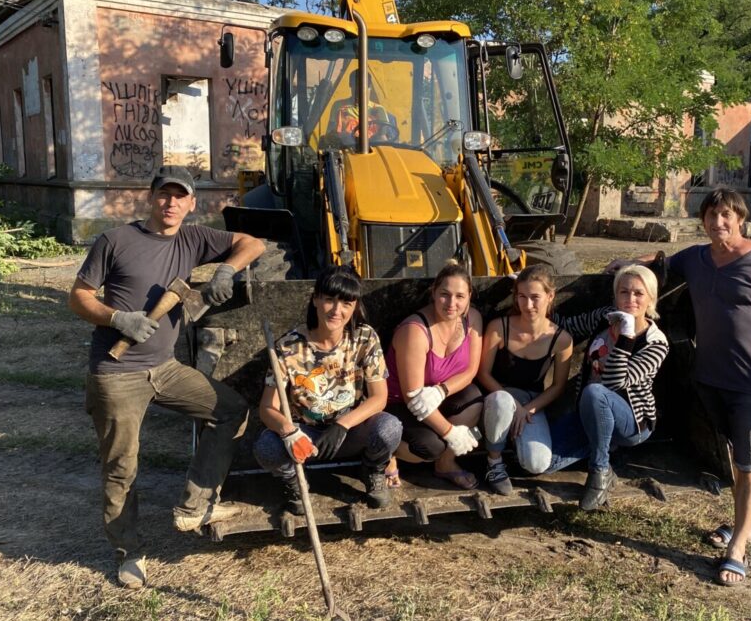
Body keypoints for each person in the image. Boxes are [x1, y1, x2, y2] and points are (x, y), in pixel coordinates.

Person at [68, 166, 265, 589]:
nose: (171, 203)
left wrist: (226, 270)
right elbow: (79, 297)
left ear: (192, 203)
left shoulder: (194, 238)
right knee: (122, 466)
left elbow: (254, 243)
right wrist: (117, 317)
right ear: (150, 198)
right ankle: (129, 552)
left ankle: (194, 505)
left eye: (181, 196)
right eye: (164, 195)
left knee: (230, 411)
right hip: (116, 372)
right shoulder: (116, 241)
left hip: (165, 367)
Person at [609, 186, 751, 587]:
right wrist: (627, 263)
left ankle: (737, 549)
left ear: (740, 218)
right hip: (707, 379)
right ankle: (744, 525)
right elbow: (661, 262)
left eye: (726, 216)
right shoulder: (697, 258)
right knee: (731, 457)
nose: (718, 223)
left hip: (750, 384)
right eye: (711, 216)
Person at [253, 266, 402, 512]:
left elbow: (379, 397)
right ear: (315, 300)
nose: (336, 310)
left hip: (349, 432)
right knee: (266, 448)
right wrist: (290, 433)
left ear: (354, 306)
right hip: (306, 437)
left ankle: (372, 470)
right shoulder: (287, 347)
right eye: (329, 300)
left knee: (390, 428)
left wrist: (343, 424)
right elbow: (267, 408)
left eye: (346, 302)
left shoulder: (365, 338)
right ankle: (294, 482)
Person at [538, 265, 669, 511]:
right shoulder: (605, 316)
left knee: (596, 392)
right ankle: (602, 449)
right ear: (615, 295)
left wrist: (627, 337)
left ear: (651, 297)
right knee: (541, 463)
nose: (630, 299)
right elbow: (568, 325)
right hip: (588, 414)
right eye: (624, 292)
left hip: (631, 423)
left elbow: (616, 382)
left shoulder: (656, 343)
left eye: (639, 293)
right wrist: (535, 295)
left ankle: (599, 471)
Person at [385, 262, 484, 489]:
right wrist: (451, 433)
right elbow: (412, 397)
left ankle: (445, 465)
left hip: (436, 396)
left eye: (460, 296)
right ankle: (386, 450)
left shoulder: (473, 319)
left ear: (469, 296)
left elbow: (470, 371)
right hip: (400, 402)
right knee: (430, 447)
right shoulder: (415, 331)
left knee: (474, 399)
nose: (452, 303)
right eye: (444, 295)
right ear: (433, 293)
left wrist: (442, 390)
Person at [477, 265, 573, 494]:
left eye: (535, 297)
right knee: (501, 401)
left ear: (550, 296)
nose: (528, 305)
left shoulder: (561, 339)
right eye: (522, 297)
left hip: (531, 404)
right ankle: (494, 462)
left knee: (537, 463)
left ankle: (513, 440)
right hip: (497, 398)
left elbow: (558, 386)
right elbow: (483, 373)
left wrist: (527, 409)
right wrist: (514, 405)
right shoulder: (499, 327)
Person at [329, 69, 399, 145]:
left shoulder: (380, 111)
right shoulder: (339, 107)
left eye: (366, 86)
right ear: (350, 85)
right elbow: (331, 135)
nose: (362, 90)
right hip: (348, 149)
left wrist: (382, 133)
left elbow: (386, 142)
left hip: (374, 150)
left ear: (370, 87)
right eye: (357, 85)